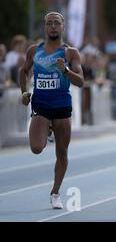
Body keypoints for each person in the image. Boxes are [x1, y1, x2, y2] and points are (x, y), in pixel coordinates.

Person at [19, 12, 84, 209]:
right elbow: (23, 71)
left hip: (62, 106)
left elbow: (81, 82)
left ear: (63, 27)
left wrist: (65, 70)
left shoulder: (70, 53)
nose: (53, 26)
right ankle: (46, 128)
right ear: (45, 27)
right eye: (49, 23)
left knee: (62, 153)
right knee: (36, 148)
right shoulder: (34, 50)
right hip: (41, 105)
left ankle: (55, 192)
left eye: (57, 23)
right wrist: (23, 92)